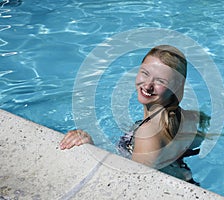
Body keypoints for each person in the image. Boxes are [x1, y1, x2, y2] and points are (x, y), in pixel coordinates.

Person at [60, 45, 210, 186]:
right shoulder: (187, 117)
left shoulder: (149, 132)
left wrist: (91, 149)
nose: (147, 85)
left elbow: (132, 185)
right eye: (145, 73)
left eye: (160, 81)